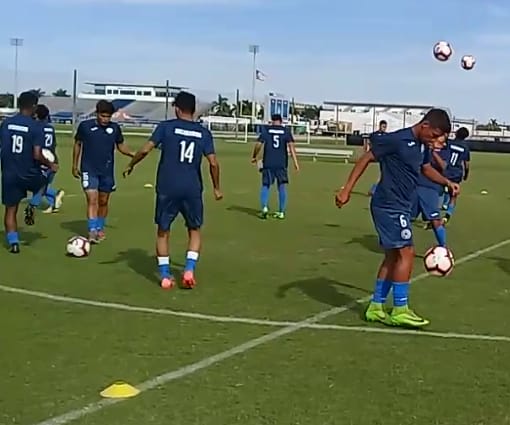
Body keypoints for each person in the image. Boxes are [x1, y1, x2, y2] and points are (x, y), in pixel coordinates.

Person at [335, 109, 459, 328]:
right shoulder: (396, 139)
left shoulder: (423, 146)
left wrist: (446, 183)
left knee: (393, 256)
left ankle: (376, 306)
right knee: (407, 252)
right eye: (434, 135)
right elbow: (366, 158)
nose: (435, 140)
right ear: (425, 126)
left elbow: (425, 169)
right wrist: (346, 190)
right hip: (388, 204)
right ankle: (400, 309)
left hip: (402, 204)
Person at [123, 91, 222, 290]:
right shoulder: (203, 133)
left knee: (163, 232)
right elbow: (213, 163)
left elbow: (144, 150)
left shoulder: (165, 127)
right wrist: (217, 188)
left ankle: (166, 276)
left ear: (177, 108)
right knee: (194, 230)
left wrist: (131, 164)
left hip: (167, 187)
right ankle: (189, 270)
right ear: (193, 110)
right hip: (192, 188)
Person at [0, 91, 58, 253]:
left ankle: (14, 243)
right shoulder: (35, 127)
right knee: (44, 181)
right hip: (28, 172)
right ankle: (33, 204)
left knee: (11, 209)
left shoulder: (6, 124)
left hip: (9, 173)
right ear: (33, 106)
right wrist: (50, 164)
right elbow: (37, 154)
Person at [72, 100, 134, 243]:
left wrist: (133, 154)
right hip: (89, 169)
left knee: (103, 201)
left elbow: (120, 146)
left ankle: (99, 228)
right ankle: (92, 231)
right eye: (103, 116)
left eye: (108, 116)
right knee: (92, 199)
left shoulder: (115, 128)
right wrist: (74, 165)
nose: (105, 119)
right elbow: (77, 144)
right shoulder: (85, 127)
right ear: (97, 113)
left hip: (106, 171)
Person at [251, 114, 299, 219]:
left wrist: (254, 156)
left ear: (272, 121)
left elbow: (258, 144)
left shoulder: (266, 130)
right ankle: (281, 212)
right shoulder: (285, 131)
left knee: (266, 185)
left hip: (268, 163)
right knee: (281, 186)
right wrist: (296, 162)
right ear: (281, 121)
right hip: (281, 163)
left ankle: (264, 208)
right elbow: (291, 147)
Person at [28, 104, 65, 214]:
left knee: (37, 184)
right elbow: (53, 144)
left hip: (41, 158)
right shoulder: (50, 127)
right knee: (42, 184)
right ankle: (54, 203)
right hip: (51, 157)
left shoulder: (35, 127)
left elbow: (34, 145)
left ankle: (53, 195)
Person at [411, 141, 448, 246]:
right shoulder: (422, 147)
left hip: (430, 188)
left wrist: (433, 152)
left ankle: (443, 247)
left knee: (435, 219)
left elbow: (444, 166)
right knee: (406, 217)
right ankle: (399, 245)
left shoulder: (444, 151)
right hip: (414, 186)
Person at [440, 127, 470, 222]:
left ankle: (432, 212)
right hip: (457, 172)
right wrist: (466, 174)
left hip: (446, 170)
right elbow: (466, 163)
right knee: (454, 195)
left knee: (438, 190)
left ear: (456, 133)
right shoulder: (465, 147)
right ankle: (447, 215)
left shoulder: (449, 143)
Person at [368, 120, 387, 196]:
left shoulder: (387, 136)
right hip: (375, 156)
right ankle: (373, 190)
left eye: (385, 127)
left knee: (384, 175)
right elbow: (370, 144)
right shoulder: (374, 135)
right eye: (383, 126)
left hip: (383, 158)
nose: (384, 128)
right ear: (380, 126)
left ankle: (374, 190)